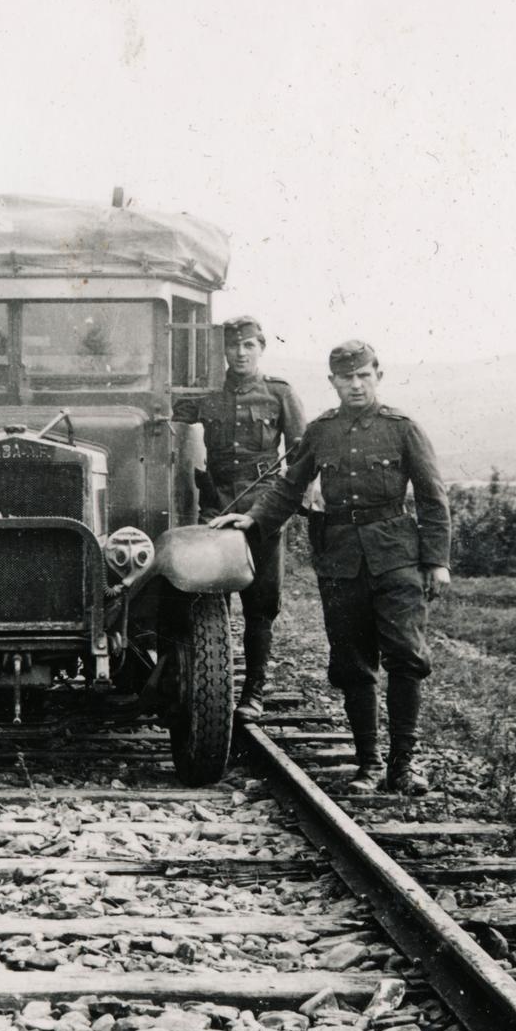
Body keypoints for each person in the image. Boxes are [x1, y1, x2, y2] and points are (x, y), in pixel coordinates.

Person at [212, 340, 451, 794]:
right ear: (333, 382)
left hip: (397, 558)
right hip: (340, 560)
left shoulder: (404, 429)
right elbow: (289, 486)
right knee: (352, 662)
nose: (356, 385)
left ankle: (404, 766)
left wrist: (436, 562)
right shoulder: (321, 432)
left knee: (406, 656)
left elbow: (432, 497)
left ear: (377, 375)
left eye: (363, 375)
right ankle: (369, 766)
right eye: (346, 378)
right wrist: (254, 518)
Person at [172, 315, 306, 719]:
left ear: (261, 348)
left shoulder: (279, 394)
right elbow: (168, 418)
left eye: (249, 345)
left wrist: (285, 504)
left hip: (263, 505)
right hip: (216, 506)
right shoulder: (207, 398)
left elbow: (300, 453)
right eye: (234, 346)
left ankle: (253, 692)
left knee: (260, 603)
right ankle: (208, 686)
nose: (241, 353)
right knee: (208, 597)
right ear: (224, 351)